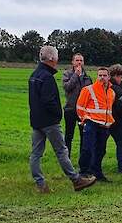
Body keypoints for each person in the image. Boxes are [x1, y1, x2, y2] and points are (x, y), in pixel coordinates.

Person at [28, 46, 96, 194]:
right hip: (49, 121)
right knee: (61, 151)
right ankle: (76, 180)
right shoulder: (47, 77)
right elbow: (49, 101)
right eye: (57, 56)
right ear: (52, 58)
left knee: (36, 153)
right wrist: (57, 114)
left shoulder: (34, 74)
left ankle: (40, 184)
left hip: (36, 120)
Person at [75, 67, 115, 182]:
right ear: (97, 77)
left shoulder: (111, 92)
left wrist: (108, 122)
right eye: (100, 75)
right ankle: (84, 172)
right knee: (87, 148)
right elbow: (79, 107)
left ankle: (97, 172)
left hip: (104, 125)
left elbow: (108, 109)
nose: (102, 77)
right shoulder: (88, 89)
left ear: (108, 77)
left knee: (101, 150)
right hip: (91, 123)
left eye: (104, 75)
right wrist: (85, 120)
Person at [62, 53, 91, 158]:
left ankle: (83, 160)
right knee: (69, 135)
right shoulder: (67, 74)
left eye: (81, 60)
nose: (79, 62)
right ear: (73, 62)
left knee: (84, 136)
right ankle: (66, 159)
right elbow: (67, 87)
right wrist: (75, 75)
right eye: (77, 60)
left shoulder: (87, 77)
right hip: (70, 109)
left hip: (83, 112)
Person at [108, 63, 122, 174]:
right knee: (121, 144)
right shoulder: (117, 89)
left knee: (99, 144)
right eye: (121, 77)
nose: (121, 79)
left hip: (105, 120)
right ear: (116, 75)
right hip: (118, 121)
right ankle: (121, 167)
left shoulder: (105, 86)